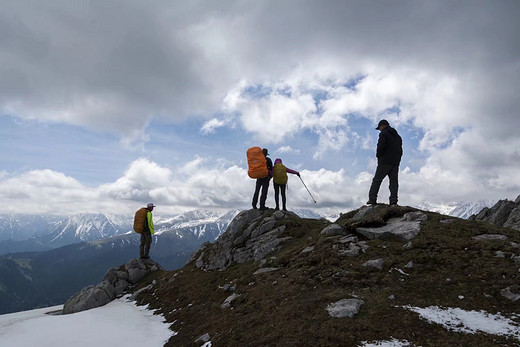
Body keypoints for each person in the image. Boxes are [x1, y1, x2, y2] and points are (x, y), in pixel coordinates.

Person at [367, 119, 403, 206]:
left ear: (382, 126)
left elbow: (380, 146)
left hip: (384, 162)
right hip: (395, 163)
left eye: (379, 128)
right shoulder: (398, 137)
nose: (379, 129)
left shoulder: (383, 133)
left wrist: (378, 156)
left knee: (377, 180)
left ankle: (372, 199)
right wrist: (397, 161)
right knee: (394, 182)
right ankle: (393, 201)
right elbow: (400, 150)